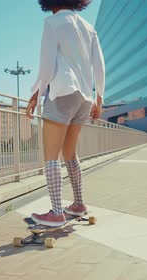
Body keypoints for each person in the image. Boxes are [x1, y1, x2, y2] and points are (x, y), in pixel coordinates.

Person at [25, 0, 105, 227]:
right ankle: (78, 204)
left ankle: (56, 212)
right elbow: (99, 65)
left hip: (62, 91)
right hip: (84, 98)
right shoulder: (88, 27)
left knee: (51, 156)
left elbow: (47, 65)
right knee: (70, 153)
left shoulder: (52, 22)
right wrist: (99, 99)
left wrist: (35, 95)